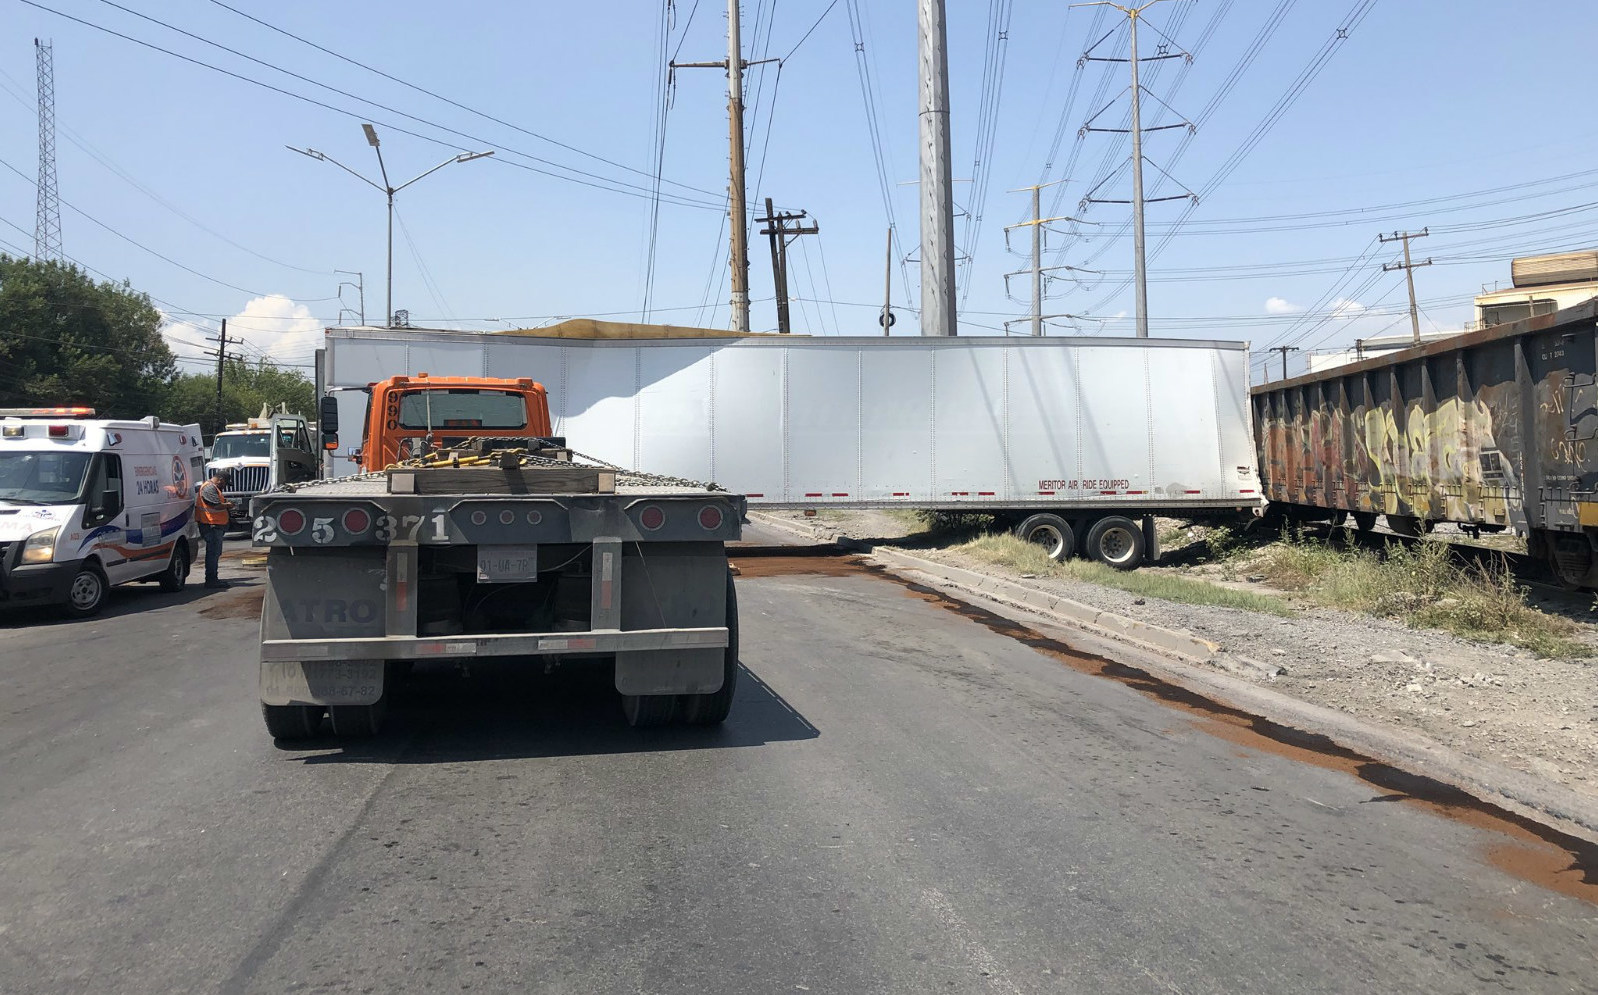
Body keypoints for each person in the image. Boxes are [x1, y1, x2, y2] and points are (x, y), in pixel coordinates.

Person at [195, 467, 234, 589]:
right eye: (225, 483)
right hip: (211, 525)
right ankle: (211, 580)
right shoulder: (209, 487)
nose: (225, 486)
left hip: (215, 525)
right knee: (212, 553)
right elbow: (215, 505)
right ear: (220, 479)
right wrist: (228, 505)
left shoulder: (214, 488)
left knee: (215, 553)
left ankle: (213, 578)